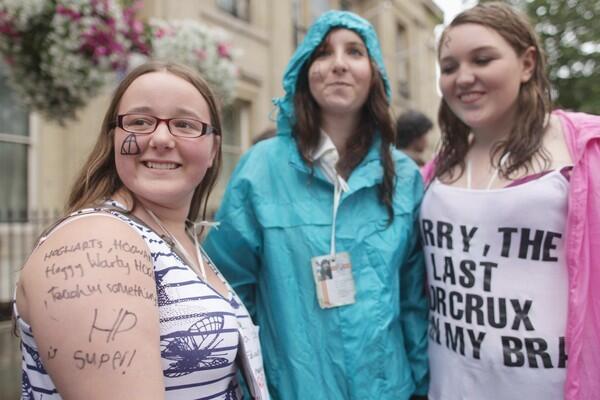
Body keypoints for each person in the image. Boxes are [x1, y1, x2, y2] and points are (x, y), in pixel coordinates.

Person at [204, 10, 428, 400]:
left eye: (354, 52)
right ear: (304, 70)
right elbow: (229, 292)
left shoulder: (405, 176)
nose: (338, 64)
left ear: (374, 73)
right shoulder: (261, 167)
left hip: (388, 389)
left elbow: (414, 298)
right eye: (323, 52)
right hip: (290, 388)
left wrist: (423, 386)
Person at [14, 61, 268, 399]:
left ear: (213, 150)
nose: (161, 138)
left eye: (184, 124)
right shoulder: (98, 243)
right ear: (114, 139)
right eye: (139, 122)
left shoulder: (181, 239)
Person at [421, 3, 600, 400]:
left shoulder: (586, 148)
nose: (463, 78)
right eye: (449, 67)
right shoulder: (435, 169)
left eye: (482, 59)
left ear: (527, 63)